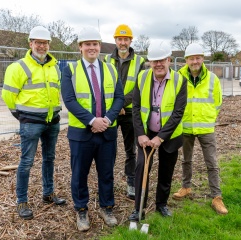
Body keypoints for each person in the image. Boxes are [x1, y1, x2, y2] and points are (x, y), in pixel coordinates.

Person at [61, 26, 124, 231]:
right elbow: (69, 101)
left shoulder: (111, 69)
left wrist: (105, 119)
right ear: (80, 47)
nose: (92, 48)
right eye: (87, 44)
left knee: (106, 173)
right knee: (79, 174)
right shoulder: (70, 70)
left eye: (95, 44)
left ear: (100, 47)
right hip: (81, 134)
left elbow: (119, 98)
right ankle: (81, 210)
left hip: (107, 132)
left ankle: (107, 208)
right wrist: (91, 120)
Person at [2, 26, 65, 220]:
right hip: (30, 123)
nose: (41, 46)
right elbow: (7, 96)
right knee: (26, 162)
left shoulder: (54, 66)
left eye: (45, 43)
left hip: (52, 121)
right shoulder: (18, 67)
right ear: (30, 44)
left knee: (49, 159)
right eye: (38, 42)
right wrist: (21, 116)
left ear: (48, 45)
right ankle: (22, 201)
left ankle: (48, 193)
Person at [128, 41, 187, 221]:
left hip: (169, 135)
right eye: (154, 61)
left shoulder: (179, 80)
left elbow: (178, 113)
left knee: (166, 170)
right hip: (146, 132)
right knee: (141, 168)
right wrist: (141, 134)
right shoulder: (143, 77)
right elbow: (136, 107)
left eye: (162, 60)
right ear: (149, 62)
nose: (158, 64)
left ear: (169, 60)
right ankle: (139, 208)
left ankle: (162, 204)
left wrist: (161, 137)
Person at [172, 43, 228, 215]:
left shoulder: (213, 79)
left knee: (211, 163)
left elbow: (217, 103)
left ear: (202, 59)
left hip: (205, 127)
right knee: (186, 160)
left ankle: (216, 197)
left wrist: (209, 119)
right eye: (191, 58)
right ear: (186, 60)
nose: (195, 61)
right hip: (186, 126)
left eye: (198, 58)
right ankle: (186, 187)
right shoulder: (177, 77)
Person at [104, 24, 145, 200]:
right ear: (115, 40)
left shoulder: (140, 62)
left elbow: (140, 86)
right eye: (120, 39)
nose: (122, 42)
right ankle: (107, 183)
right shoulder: (106, 60)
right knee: (108, 150)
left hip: (129, 112)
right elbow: (102, 85)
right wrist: (115, 106)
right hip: (111, 112)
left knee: (130, 150)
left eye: (125, 39)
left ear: (130, 41)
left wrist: (122, 103)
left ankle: (131, 182)